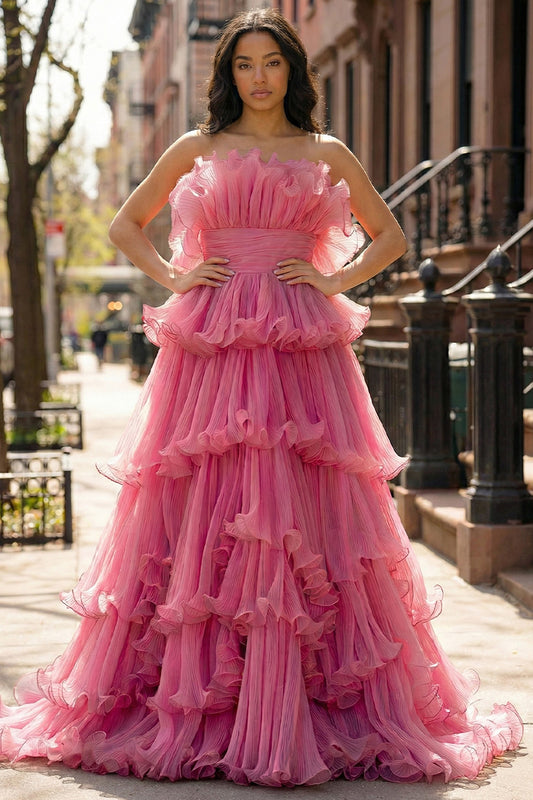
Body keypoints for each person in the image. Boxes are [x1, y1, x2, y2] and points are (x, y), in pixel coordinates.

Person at [0, 7, 522, 787]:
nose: (257, 77)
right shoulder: (197, 146)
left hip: (299, 343)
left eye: (270, 63)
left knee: (303, 506)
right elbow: (123, 224)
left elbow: (389, 238)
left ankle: (300, 698)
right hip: (211, 343)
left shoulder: (323, 151)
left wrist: (333, 278)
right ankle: (205, 695)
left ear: (292, 71)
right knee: (209, 498)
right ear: (227, 74)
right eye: (243, 64)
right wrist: (178, 277)